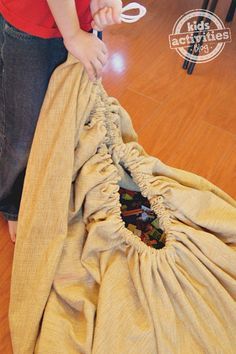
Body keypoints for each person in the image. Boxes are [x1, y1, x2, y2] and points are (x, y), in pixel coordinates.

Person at [0, 0, 122, 243]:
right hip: (30, 23)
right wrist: (73, 34)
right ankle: (11, 198)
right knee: (21, 134)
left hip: (79, 20)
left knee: (69, 114)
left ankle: (46, 183)